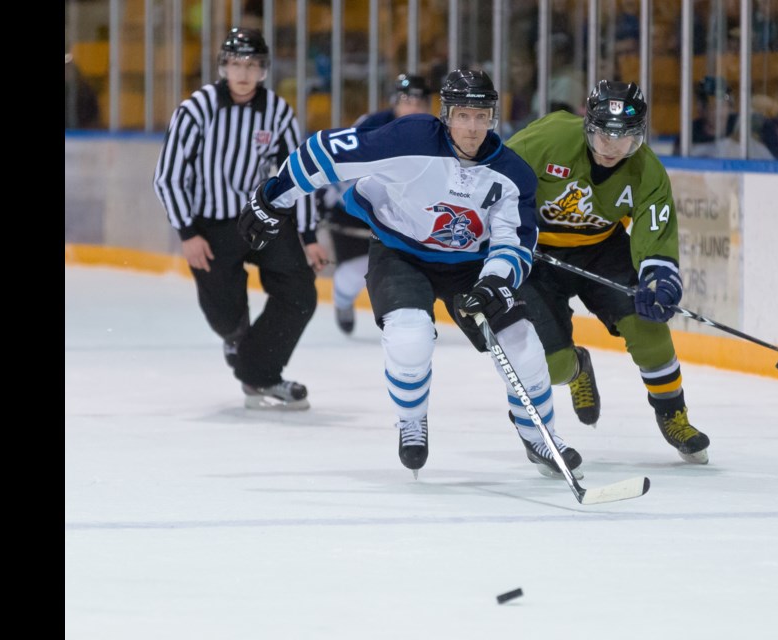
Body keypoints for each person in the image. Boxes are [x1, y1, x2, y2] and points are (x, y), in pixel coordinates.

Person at [236, 69, 584, 479]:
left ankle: (539, 435)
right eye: (462, 115)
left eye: (481, 116)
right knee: (409, 337)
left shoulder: (512, 174)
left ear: (492, 117)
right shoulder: (410, 138)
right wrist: (275, 197)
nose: (471, 128)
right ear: (446, 114)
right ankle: (412, 420)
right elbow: (326, 152)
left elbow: (516, 239)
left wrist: (496, 280)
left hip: (471, 265)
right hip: (400, 253)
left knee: (521, 342)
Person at [505, 80, 710, 464]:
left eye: (625, 137)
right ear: (588, 126)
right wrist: (510, 236)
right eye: (604, 135)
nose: (613, 147)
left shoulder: (646, 170)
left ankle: (672, 414)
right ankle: (577, 367)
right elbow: (496, 180)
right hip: (535, 257)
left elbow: (654, 231)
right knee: (550, 364)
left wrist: (658, 277)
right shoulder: (548, 139)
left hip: (602, 248)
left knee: (649, 326)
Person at [153, 27, 329, 410]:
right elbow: (168, 177)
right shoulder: (196, 109)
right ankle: (238, 338)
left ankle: (260, 373)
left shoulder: (277, 112)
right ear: (223, 67)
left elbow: (295, 176)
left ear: (264, 69)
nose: (244, 73)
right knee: (225, 317)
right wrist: (187, 232)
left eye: (252, 65)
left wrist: (309, 234)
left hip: (262, 219)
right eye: (236, 63)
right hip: (210, 226)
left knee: (300, 293)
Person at [315, 73, 432, 335]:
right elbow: (344, 163)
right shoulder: (372, 125)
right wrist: (327, 200)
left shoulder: (435, 131)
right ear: (394, 102)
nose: (413, 107)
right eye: (406, 100)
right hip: (354, 209)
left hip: (402, 212)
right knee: (356, 271)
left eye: (419, 101)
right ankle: (343, 300)